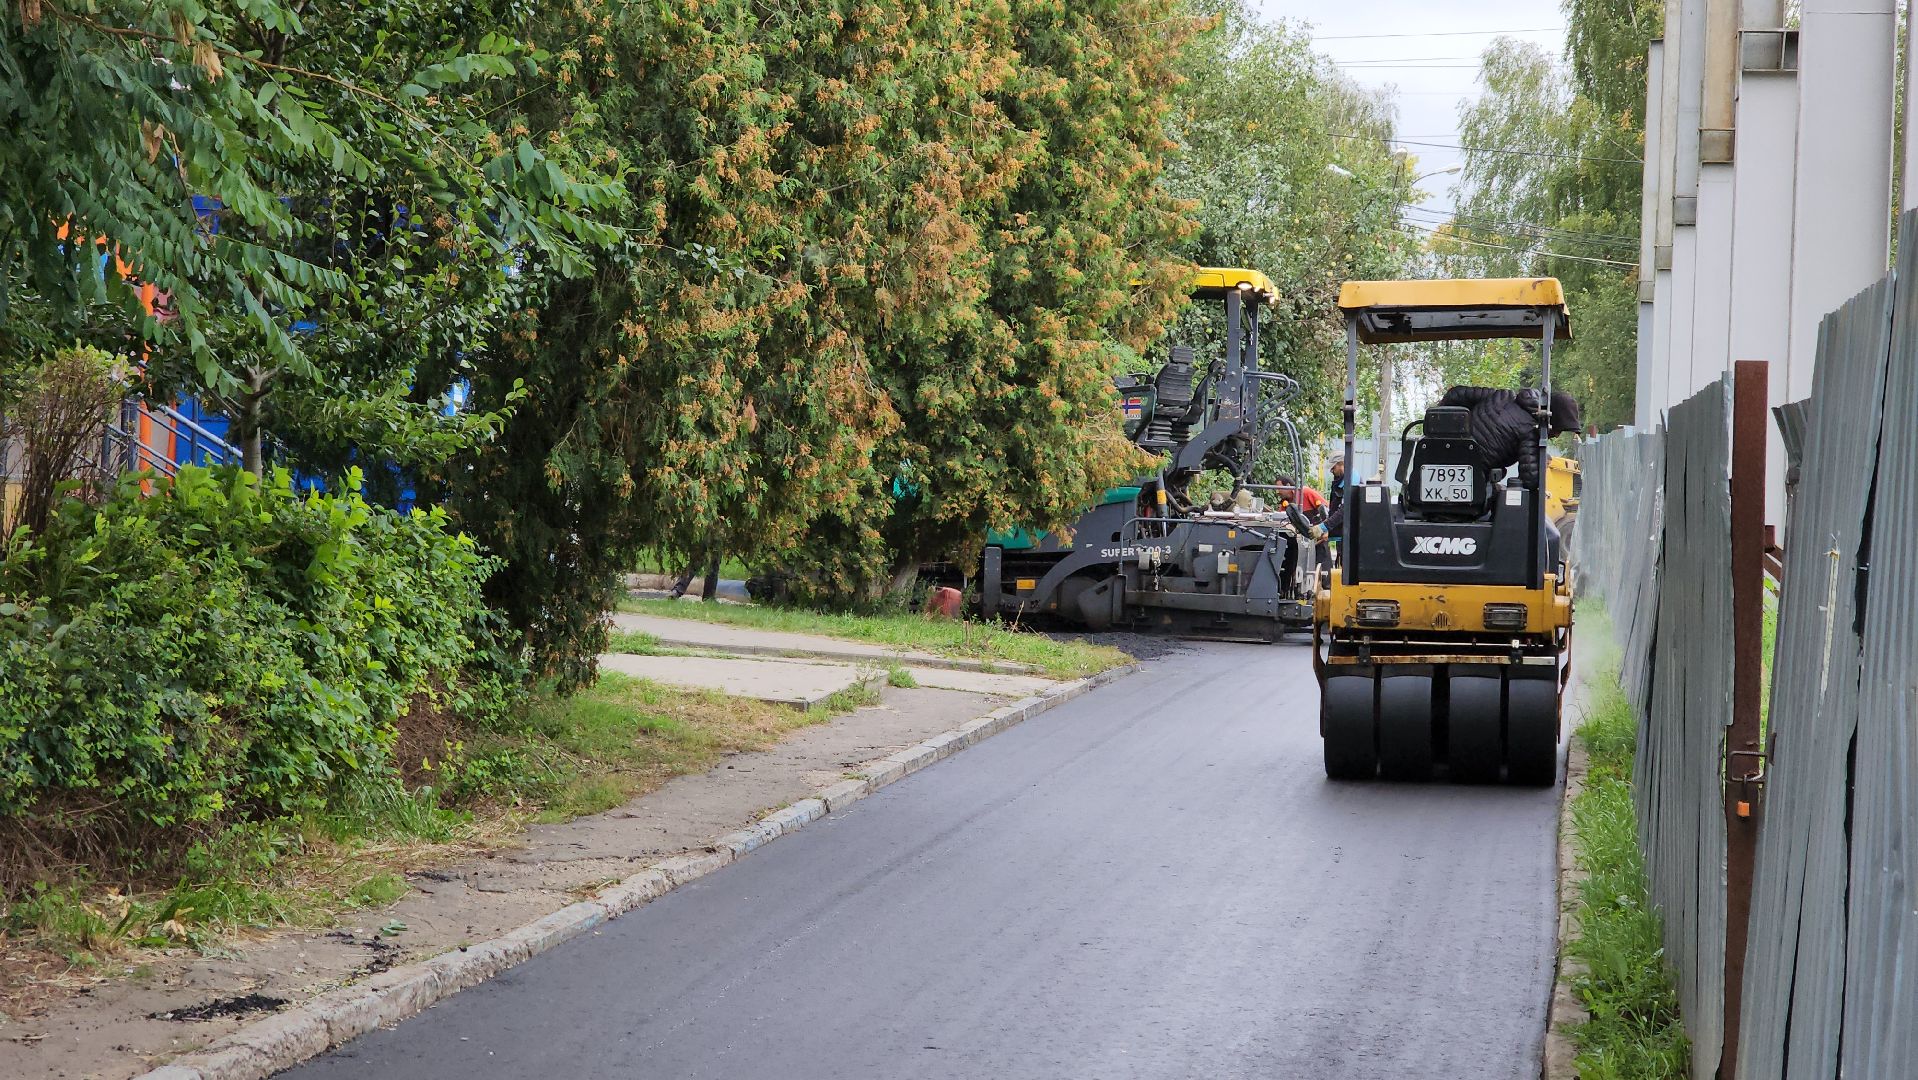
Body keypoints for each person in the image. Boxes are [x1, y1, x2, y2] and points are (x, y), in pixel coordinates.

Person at [1433, 385, 1582, 488]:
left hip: (1437, 456)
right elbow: (1530, 480)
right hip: (1473, 477)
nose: (1556, 436)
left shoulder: (1501, 395)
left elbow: (1456, 393)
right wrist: (1541, 461)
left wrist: (1435, 422)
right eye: (1558, 430)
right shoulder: (1530, 432)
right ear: (1550, 421)